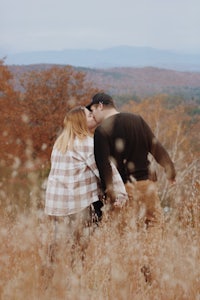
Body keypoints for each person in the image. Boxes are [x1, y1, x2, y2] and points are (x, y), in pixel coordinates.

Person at [86, 92, 176, 228]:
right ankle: (152, 250)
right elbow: (156, 147)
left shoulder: (102, 131)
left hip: (123, 189)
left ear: (100, 106)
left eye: (92, 110)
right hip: (147, 184)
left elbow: (104, 167)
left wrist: (111, 195)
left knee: (124, 232)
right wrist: (171, 172)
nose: (92, 115)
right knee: (154, 225)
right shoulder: (137, 120)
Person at [45, 105, 127, 228]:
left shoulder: (59, 144)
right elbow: (105, 169)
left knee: (60, 243)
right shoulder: (87, 143)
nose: (93, 116)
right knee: (80, 243)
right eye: (89, 115)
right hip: (79, 204)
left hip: (57, 203)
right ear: (81, 121)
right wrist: (120, 194)